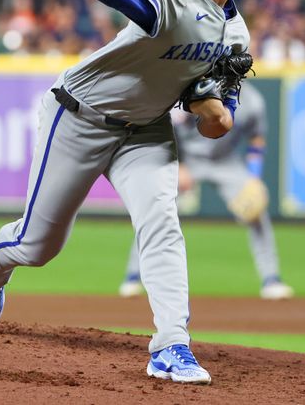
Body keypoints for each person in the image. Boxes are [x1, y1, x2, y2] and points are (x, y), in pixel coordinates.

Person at [0, 0, 262, 385]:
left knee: (162, 221)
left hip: (144, 132)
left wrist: (212, 112)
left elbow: (217, 121)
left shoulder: (236, 35)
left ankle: (171, 345)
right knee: (39, 245)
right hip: (79, 116)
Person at [118, 85, 294, 300]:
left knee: (257, 213)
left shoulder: (253, 101)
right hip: (188, 157)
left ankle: (271, 279)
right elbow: (171, 123)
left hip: (225, 160)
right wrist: (179, 163)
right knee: (158, 210)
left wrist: (254, 178)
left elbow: (256, 139)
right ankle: (133, 276)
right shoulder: (201, 88)